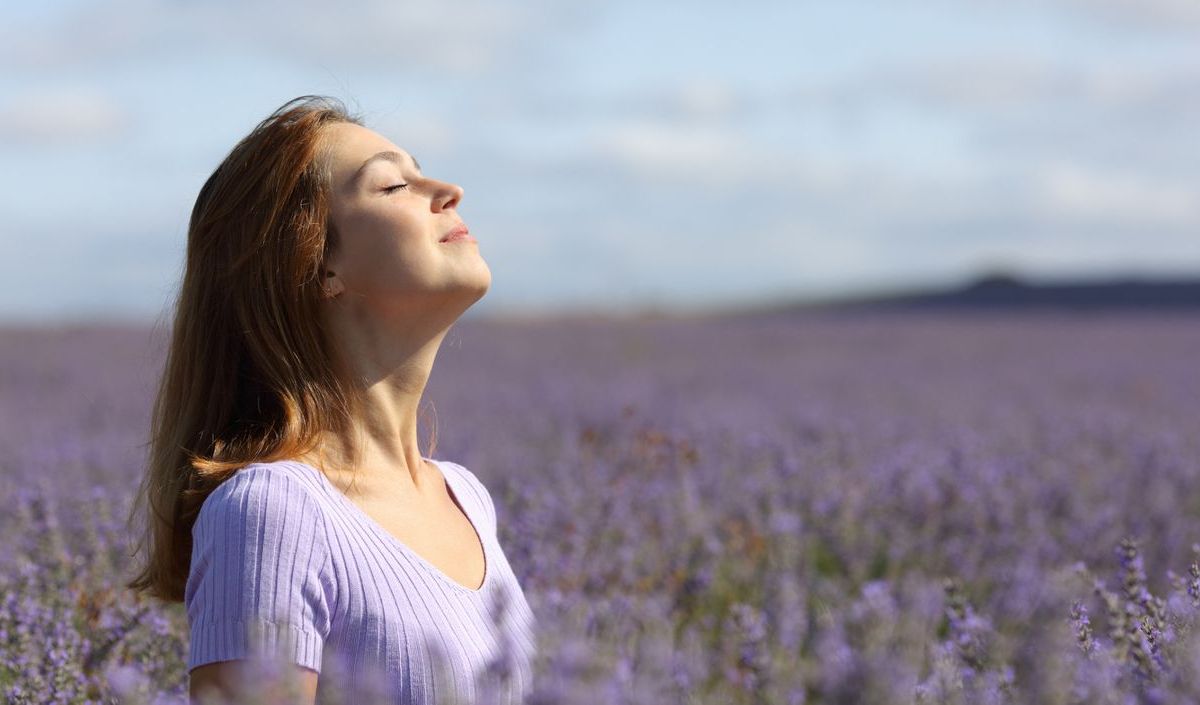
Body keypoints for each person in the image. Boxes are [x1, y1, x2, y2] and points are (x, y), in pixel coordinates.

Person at [125, 95, 538, 704]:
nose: (447, 189)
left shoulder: (465, 498)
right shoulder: (271, 513)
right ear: (319, 266)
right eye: (395, 185)